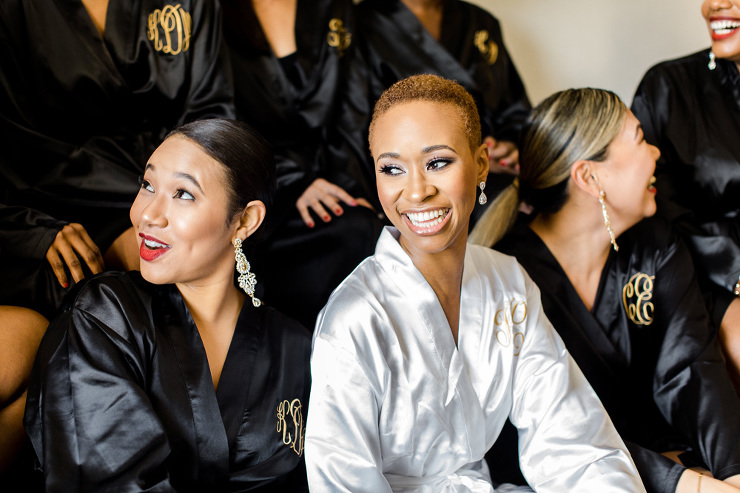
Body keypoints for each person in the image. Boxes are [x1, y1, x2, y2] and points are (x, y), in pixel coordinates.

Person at [305, 74, 644, 492]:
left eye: (437, 162)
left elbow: (575, 444)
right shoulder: (352, 322)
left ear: (481, 164)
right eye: (392, 169)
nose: (416, 191)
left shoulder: (508, 282)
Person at [471, 88, 740, 493]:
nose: (656, 153)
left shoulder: (655, 246)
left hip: (669, 459)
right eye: (640, 139)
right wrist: (685, 484)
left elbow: (692, 369)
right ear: (589, 177)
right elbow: (553, 435)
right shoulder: (507, 279)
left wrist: (733, 472)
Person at [24, 119, 311, 492]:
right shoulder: (104, 316)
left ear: (244, 220)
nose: (147, 214)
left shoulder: (296, 348)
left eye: (183, 194)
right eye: (147, 185)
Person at [0, 0, 235, 314]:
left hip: (171, 184)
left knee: (205, 266)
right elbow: (15, 143)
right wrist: (35, 230)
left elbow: (212, 117)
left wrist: (169, 192)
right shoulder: (13, 10)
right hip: (57, 197)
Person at [221, 0, 384, 329]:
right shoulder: (213, 14)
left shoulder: (334, 8)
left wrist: (357, 190)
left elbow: (353, 114)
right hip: (256, 187)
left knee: (366, 229)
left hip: (333, 176)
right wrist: (294, 182)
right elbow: (218, 121)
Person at [337, 0, 531, 222]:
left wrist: (507, 148)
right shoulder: (357, 24)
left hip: (484, 175)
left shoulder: (481, 22)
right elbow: (351, 124)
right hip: (401, 186)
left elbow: (514, 110)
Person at [631, 0, 740, 388]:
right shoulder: (667, 87)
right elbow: (652, 208)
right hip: (706, 273)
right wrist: (733, 270)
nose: (715, 5)